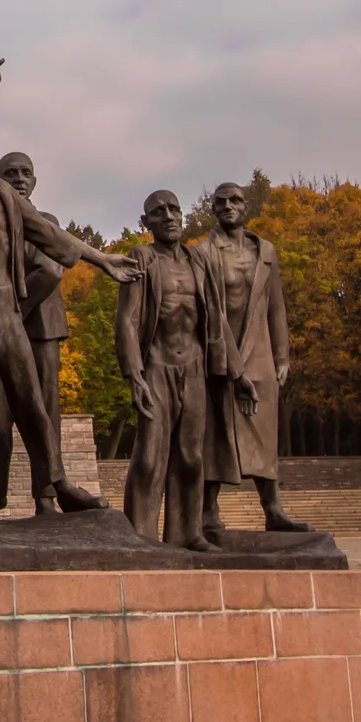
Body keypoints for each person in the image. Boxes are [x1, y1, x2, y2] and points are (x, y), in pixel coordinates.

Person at [0, 60, 129, 514]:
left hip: (7, 308)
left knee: (32, 402)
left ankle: (56, 483)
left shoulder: (6, 195)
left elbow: (54, 239)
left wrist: (102, 260)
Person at [192, 180, 314, 538]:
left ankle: (273, 509)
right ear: (213, 209)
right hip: (219, 355)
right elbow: (209, 312)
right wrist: (231, 364)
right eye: (221, 201)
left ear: (246, 207)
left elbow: (276, 307)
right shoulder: (203, 254)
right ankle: (207, 511)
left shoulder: (266, 252)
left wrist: (282, 355)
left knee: (263, 433)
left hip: (260, 356)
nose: (229, 206)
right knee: (215, 433)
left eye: (236, 200)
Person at [115, 190, 222, 550]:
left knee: (191, 456)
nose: (169, 216)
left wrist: (234, 375)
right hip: (156, 365)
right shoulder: (142, 258)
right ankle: (140, 535)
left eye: (174, 209)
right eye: (158, 212)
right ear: (147, 223)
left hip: (193, 366)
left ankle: (186, 532)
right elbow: (127, 321)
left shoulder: (197, 261)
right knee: (148, 456)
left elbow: (216, 321)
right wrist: (134, 374)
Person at [0, 152, 70, 515]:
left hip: (39, 329)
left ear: (35, 180)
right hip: (3, 330)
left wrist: (12, 310)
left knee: (43, 412)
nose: (19, 179)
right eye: (10, 173)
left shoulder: (45, 222)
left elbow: (50, 272)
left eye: (26, 173)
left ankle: (46, 497)